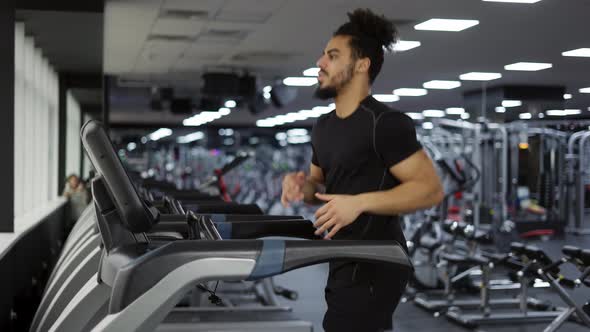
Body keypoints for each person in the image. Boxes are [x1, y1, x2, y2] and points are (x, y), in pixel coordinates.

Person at [281, 9, 444, 332]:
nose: (320, 63)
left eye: (332, 56)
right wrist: (301, 185)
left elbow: (430, 189)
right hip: (343, 254)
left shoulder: (384, 123)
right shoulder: (324, 127)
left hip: (377, 259)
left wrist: (358, 202)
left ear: (361, 65)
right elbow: (318, 186)